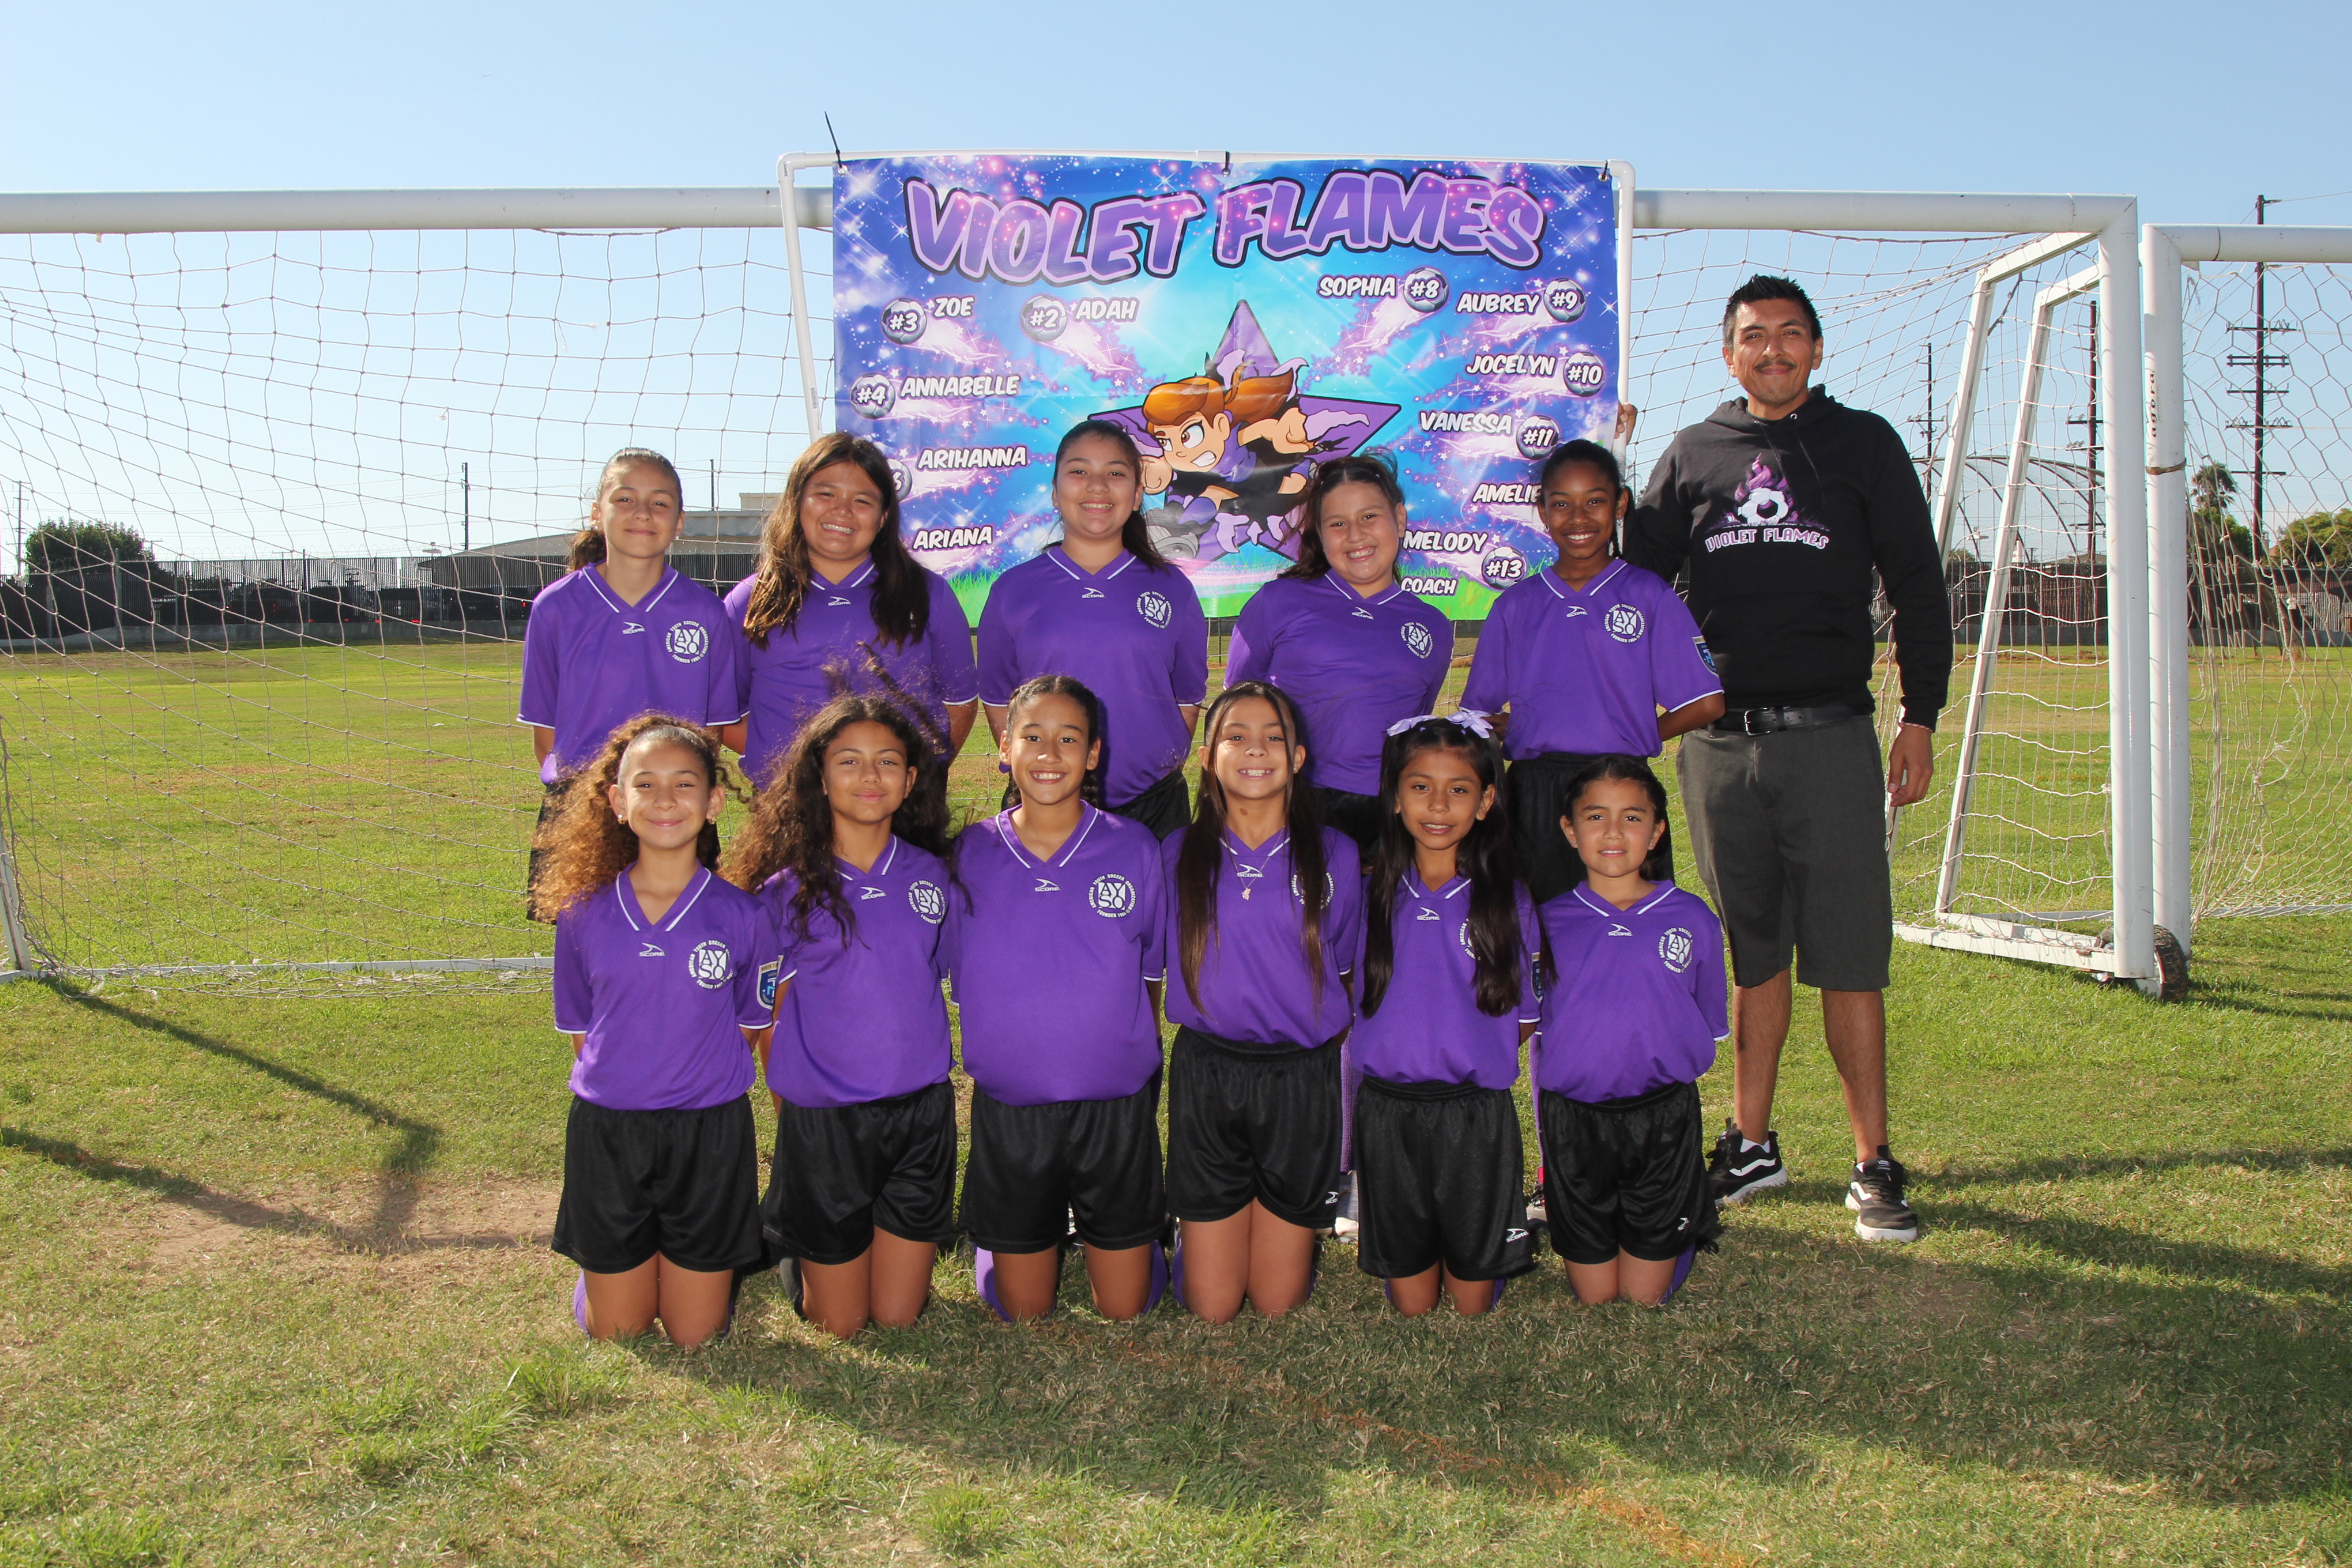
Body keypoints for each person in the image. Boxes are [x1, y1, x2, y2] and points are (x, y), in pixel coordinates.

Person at [1623, 274, 1952, 1243]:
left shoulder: (1864, 444)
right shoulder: (1693, 454)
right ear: (1729, 354)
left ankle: (1873, 1159)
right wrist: (1613, 455)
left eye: (1791, 333)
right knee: (1752, 949)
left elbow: (1918, 584)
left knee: (1848, 956)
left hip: (1830, 738)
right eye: (1754, 336)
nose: (1773, 349)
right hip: (1720, 747)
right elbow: (1631, 583)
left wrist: (1921, 717)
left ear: (1815, 347)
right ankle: (1752, 1143)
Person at [536, 717, 779, 1346]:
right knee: (619, 1330)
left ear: (714, 802)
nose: (665, 799)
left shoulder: (746, 916)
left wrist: (691, 1076)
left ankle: (681, 1266)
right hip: (611, 1132)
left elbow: (749, 1022)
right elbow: (582, 1031)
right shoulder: (582, 914)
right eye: (645, 784)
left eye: (684, 783)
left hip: (709, 1133)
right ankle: (608, 1275)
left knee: (696, 1335)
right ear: (617, 802)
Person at [721, 694, 955, 1340]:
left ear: (910, 779)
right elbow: (768, 1020)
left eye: (888, 761)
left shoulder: (935, 878)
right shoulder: (784, 892)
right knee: (841, 1323)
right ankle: (793, 1242)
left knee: (899, 1315)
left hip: (919, 1116)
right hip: (825, 1124)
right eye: (849, 761)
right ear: (820, 778)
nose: (869, 775)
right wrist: (791, 1117)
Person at [945, 674, 1172, 1322]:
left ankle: (1139, 1240)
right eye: (1033, 737)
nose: (1050, 754)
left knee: (1125, 1309)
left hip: (1114, 1110)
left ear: (1094, 753)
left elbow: (1150, 972)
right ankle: (1008, 1239)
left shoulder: (1132, 846)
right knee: (1024, 1311)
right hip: (1013, 1110)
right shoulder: (970, 854)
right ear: (1005, 748)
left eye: (1069, 739)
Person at [1163, 681, 1363, 1324]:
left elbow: (1345, 969)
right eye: (1237, 736)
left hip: (1300, 1077)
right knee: (1213, 1306)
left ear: (1298, 757)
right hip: (1209, 1074)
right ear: (1206, 757)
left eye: (1274, 737)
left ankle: (1273, 1223)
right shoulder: (1176, 854)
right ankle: (1193, 1235)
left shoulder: (1336, 854)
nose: (1256, 749)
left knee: (1278, 1304)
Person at [1460, 439, 1723, 905]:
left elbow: (1707, 703)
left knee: (1628, 926)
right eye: (1562, 504)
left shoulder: (1648, 594)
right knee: (1537, 929)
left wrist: (1635, 735)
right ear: (1542, 511)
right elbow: (1476, 717)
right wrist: (1511, 729)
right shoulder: (1516, 605)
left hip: (1621, 786)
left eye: (1595, 502)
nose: (1578, 518)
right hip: (1536, 793)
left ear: (1620, 504)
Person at [1350, 713, 1541, 1316]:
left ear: (1485, 803)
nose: (1438, 804)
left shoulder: (1508, 900)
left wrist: (1465, 1047)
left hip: (1475, 1115)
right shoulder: (1367, 894)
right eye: (1420, 786)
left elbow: (1525, 1016)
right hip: (1388, 1112)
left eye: (1458, 789)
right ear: (1395, 797)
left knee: (1471, 1306)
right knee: (1413, 1307)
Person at [519, 448, 745, 913]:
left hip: (674, 811)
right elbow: (547, 741)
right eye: (625, 499)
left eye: (660, 503)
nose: (642, 513)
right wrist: (601, 803)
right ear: (596, 512)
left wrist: (671, 795)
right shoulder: (555, 608)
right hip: (583, 815)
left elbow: (712, 735)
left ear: (679, 522)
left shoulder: (705, 612)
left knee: (684, 940)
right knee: (587, 945)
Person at [1535, 755, 1725, 1305]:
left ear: (1657, 831)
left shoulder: (1692, 918)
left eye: (1633, 818)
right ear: (1570, 830)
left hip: (1662, 1115)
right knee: (1596, 1297)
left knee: (1643, 1297)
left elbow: (1707, 1020)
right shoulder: (1544, 922)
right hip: (1573, 1118)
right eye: (1596, 817)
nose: (1614, 832)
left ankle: (1679, 1223)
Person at [978, 421, 1209, 840]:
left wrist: (1152, 766)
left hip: (1154, 808)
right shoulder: (1013, 590)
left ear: (1137, 494)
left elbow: (1188, 699)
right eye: (1079, 471)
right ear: (1055, 491)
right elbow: (998, 701)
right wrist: (1042, 772)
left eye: (1116, 472)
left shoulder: (1173, 587)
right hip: (1045, 804)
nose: (1097, 486)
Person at [722, 433, 978, 791]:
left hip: (901, 808)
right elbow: (727, 716)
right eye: (826, 494)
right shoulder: (751, 601)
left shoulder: (927, 594)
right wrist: (793, 776)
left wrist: (911, 784)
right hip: (790, 807)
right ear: (797, 501)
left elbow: (960, 705)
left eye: (862, 500)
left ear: (884, 516)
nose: (842, 510)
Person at [1225, 453, 1453, 850]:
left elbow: (1416, 719)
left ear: (1399, 519)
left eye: (1369, 517)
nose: (1355, 535)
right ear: (1320, 533)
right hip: (1293, 804)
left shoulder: (1432, 625)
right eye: (1338, 524)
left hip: (1388, 817)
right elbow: (1239, 702)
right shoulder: (1278, 601)